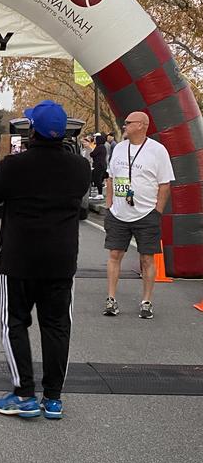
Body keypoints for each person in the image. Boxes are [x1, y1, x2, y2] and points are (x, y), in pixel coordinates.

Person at [0, 100, 91, 420]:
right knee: (57, 326)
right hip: (61, 260)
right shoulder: (80, 168)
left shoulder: (16, 165)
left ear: (32, 130)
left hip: (18, 258)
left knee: (14, 323)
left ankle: (24, 393)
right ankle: (53, 398)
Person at [103, 111, 174, 320]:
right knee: (114, 255)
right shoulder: (119, 148)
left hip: (146, 214)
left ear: (142, 125)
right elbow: (111, 178)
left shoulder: (157, 150)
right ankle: (111, 299)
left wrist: (157, 211)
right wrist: (109, 206)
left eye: (128, 123)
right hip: (118, 212)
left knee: (147, 258)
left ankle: (146, 301)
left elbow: (165, 185)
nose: (124, 125)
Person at [90, 134, 107, 200]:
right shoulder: (103, 146)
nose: (95, 140)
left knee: (97, 180)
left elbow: (92, 154)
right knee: (95, 179)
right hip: (101, 165)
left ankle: (100, 194)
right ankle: (97, 193)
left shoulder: (99, 147)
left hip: (99, 165)